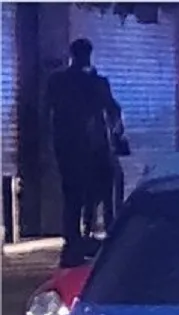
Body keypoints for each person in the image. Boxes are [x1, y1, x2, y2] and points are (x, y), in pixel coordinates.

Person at [45, 37, 123, 268]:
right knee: (101, 192)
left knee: (73, 197)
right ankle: (97, 237)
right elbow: (112, 109)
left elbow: (46, 111)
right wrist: (116, 133)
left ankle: (74, 241)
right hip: (92, 148)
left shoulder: (57, 81)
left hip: (67, 147)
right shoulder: (94, 82)